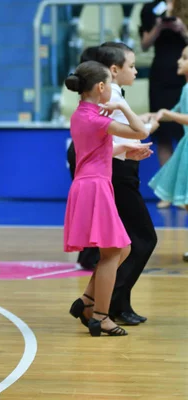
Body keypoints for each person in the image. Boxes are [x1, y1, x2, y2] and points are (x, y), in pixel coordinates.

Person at [68, 43, 159, 326]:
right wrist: (120, 107)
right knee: (116, 250)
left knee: (122, 249)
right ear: (101, 87)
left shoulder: (82, 115)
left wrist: (126, 150)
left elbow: (101, 148)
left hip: (95, 181)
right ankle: (101, 315)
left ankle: (88, 302)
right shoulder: (98, 117)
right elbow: (140, 130)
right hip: (97, 185)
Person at [140, 0, 188, 208]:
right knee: (164, 136)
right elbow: (144, 45)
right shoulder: (150, 8)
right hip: (160, 73)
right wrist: (159, 26)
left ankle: (182, 191)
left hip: (183, 74)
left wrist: (182, 28)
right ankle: (167, 192)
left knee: (183, 139)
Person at [149, 45, 188, 261]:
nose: (179, 61)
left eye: (184, 58)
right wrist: (151, 115)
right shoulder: (185, 89)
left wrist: (168, 114)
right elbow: (174, 112)